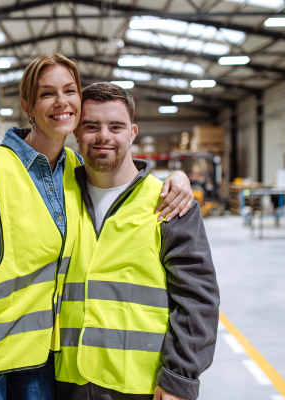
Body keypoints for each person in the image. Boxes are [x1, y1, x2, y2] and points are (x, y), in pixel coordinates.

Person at [0, 54, 195, 400]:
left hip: (40, 359)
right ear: (27, 106)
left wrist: (178, 178)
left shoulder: (75, 170)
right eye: (47, 93)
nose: (61, 101)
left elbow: (120, 172)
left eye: (69, 90)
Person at [54, 82, 220, 400]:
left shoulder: (169, 201)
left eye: (115, 126)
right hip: (65, 382)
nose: (104, 136)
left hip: (139, 387)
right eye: (91, 126)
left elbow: (198, 299)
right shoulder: (58, 196)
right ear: (76, 133)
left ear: (132, 133)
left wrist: (179, 379)